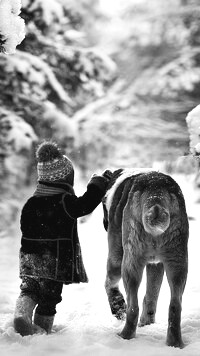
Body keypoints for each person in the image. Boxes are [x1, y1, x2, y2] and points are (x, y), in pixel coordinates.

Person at [13, 140, 112, 336]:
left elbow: (25, 229)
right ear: (65, 180)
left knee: (29, 288)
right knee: (49, 298)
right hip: (54, 262)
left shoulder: (31, 202)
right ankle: (42, 331)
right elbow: (86, 205)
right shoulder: (64, 201)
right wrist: (97, 185)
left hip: (29, 260)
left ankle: (21, 314)